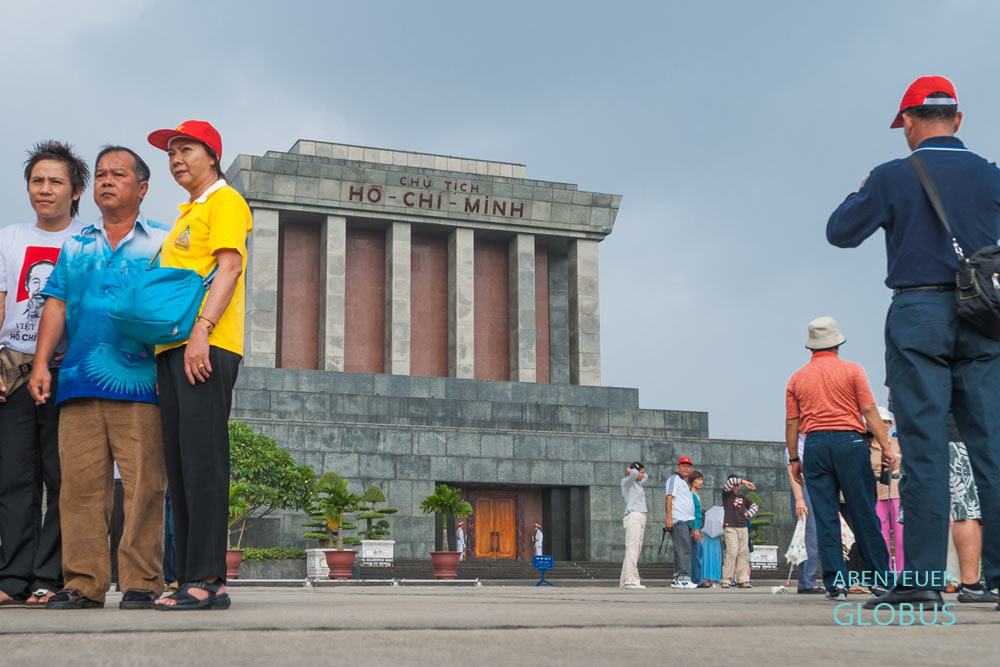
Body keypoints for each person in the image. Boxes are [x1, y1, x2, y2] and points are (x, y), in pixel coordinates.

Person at [827, 75, 1000, 610]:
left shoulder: (892, 176)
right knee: (991, 445)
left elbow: (840, 231)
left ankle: (921, 581)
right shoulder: (991, 175)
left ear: (906, 121)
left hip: (919, 311)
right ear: (959, 118)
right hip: (985, 314)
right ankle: (993, 577)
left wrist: (863, 190)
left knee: (924, 449)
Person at [29, 146, 169, 610]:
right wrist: (41, 363)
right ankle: (83, 584)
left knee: (144, 485)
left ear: (142, 188)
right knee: (79, 489)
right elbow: (57, 303)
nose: (107, 181)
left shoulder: (165, 243)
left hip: (142, 383)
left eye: (119, 174)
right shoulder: (77, 243)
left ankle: (142, 582)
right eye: (102, 175)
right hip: (77, 382)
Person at [146, 120, 252, 611]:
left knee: (204, 460)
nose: (176, 159)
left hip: (206, 345)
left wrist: (201, 332)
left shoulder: (225, 201)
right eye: (171, 153)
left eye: (185, 149)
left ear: (212, 155)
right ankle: (189, 573)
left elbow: (229, 267)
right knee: (183, 465)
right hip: (174, 350)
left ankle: (209, 578)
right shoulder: (187, 215)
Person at [0, 141, 89, 608]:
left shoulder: (87, 240)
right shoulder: (9, 237)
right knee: (13, 477)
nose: (45, 189)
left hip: (67, 372)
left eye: (56, 182)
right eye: (37, 180)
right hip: (13, 371)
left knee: (62, 478)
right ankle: (12, 577)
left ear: (76, 191)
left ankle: (49, 578)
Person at [785, 317, 895, 604]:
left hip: (816, 445)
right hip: (851, 442)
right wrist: (886, 446)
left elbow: (792, 423)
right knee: (864, 514)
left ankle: (836, 584)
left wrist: (795, 458)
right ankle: (881, 580)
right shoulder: (853, 370)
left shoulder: (797, 378)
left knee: (826, 517)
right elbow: (869, 410)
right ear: (837, 343)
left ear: (811, 346)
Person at [787, 433, 822, 593]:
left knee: (814, 534)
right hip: (803, 487)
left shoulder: (816, 439)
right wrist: (799, 499)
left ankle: (808, 580)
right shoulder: (795, 443)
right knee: (809, 533)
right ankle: (807, 581)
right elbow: (792, 473)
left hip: (818, 486)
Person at [871, 407, 903, 572]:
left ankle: (902, 574)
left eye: (886, 422)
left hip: (896, 490)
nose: (883, 425)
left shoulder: (897, 443)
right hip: (876, 492)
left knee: (900, 535)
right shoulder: (867, 446)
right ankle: (885, 573)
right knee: (880, 535)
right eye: (880, 422)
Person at [720, 475, 758, 589]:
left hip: (743, 527)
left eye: (737, 485)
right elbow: (731, 481)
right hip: (730, 526)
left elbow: (755, 506)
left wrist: (748, 514)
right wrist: (744, 482)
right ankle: (726, 579)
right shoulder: (726, 495)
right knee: (732, 552)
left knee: (743, 552)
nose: (735, 486)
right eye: (734, 485)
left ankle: (742, 580)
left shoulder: (743, 497)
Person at [665, 456, 697, 589]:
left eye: (688, 466)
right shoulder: (674, 479)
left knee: (682, 549)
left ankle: (677, 578)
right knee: (684, 550)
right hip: (678, 520)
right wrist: (669, 518)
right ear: (678, 467)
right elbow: (668, 497)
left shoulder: (686, 483)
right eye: (683, 465)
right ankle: (684, 578)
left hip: (687, 520)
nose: (686, 468)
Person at [620, 461, 648, 590]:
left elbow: (645, 476)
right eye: (641, 472)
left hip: (640, 518)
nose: (643, 475)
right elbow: (634, 473)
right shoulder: (627, 482)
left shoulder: (638, 483)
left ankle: (625, 581)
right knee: (632, 549)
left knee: (634, 550)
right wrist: (631, 470)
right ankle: (631, 580)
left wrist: (638, 472)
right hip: (633, 516)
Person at [688, 471, 707, 587]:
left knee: (699, 553)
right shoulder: (691, 494)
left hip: (698, 528)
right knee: (695, 554)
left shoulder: (696, 494)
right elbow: (692, 513)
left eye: (701, 479)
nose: (700, 482)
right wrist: (695, 529)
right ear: (692, 481)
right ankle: (696, 580)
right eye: (698, 479)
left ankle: (695, 578)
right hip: (693, 528)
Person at [700, 505, 723, 587]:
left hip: (706, 544)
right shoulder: (720, 525)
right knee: (715, 561)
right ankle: (715, 581)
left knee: (706, 560)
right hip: (715, 544)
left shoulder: (705, 522)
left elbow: (701, 535)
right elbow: (722, 538)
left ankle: (707, 580)